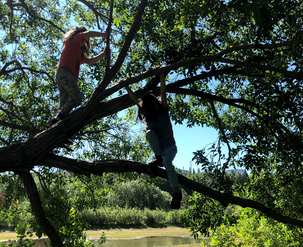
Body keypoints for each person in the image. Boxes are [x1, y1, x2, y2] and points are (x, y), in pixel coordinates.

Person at [119, 73, 182, 209]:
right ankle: (158, 158)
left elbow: (163, 95)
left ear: (156, 105)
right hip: (160, 148)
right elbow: (135, 99)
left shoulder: (163, 110)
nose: (147, 114)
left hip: (170, 147)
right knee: (149, 133)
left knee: (167, 162)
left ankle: (176, 192)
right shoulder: (147, 112)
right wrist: (126, 86)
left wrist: (161, 77)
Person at [48, 26, 110, 127]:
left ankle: (56, 124)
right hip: (65, 72)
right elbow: (88, 34)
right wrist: (104, 35)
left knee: (64, 104)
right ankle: (58, 119)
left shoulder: (77, 52)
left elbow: (89, 61)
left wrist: (103, 54)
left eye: (85, 41)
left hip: (61, 75)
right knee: (77, 98)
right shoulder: (72, 40)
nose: (84, 40)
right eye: (84, 38)